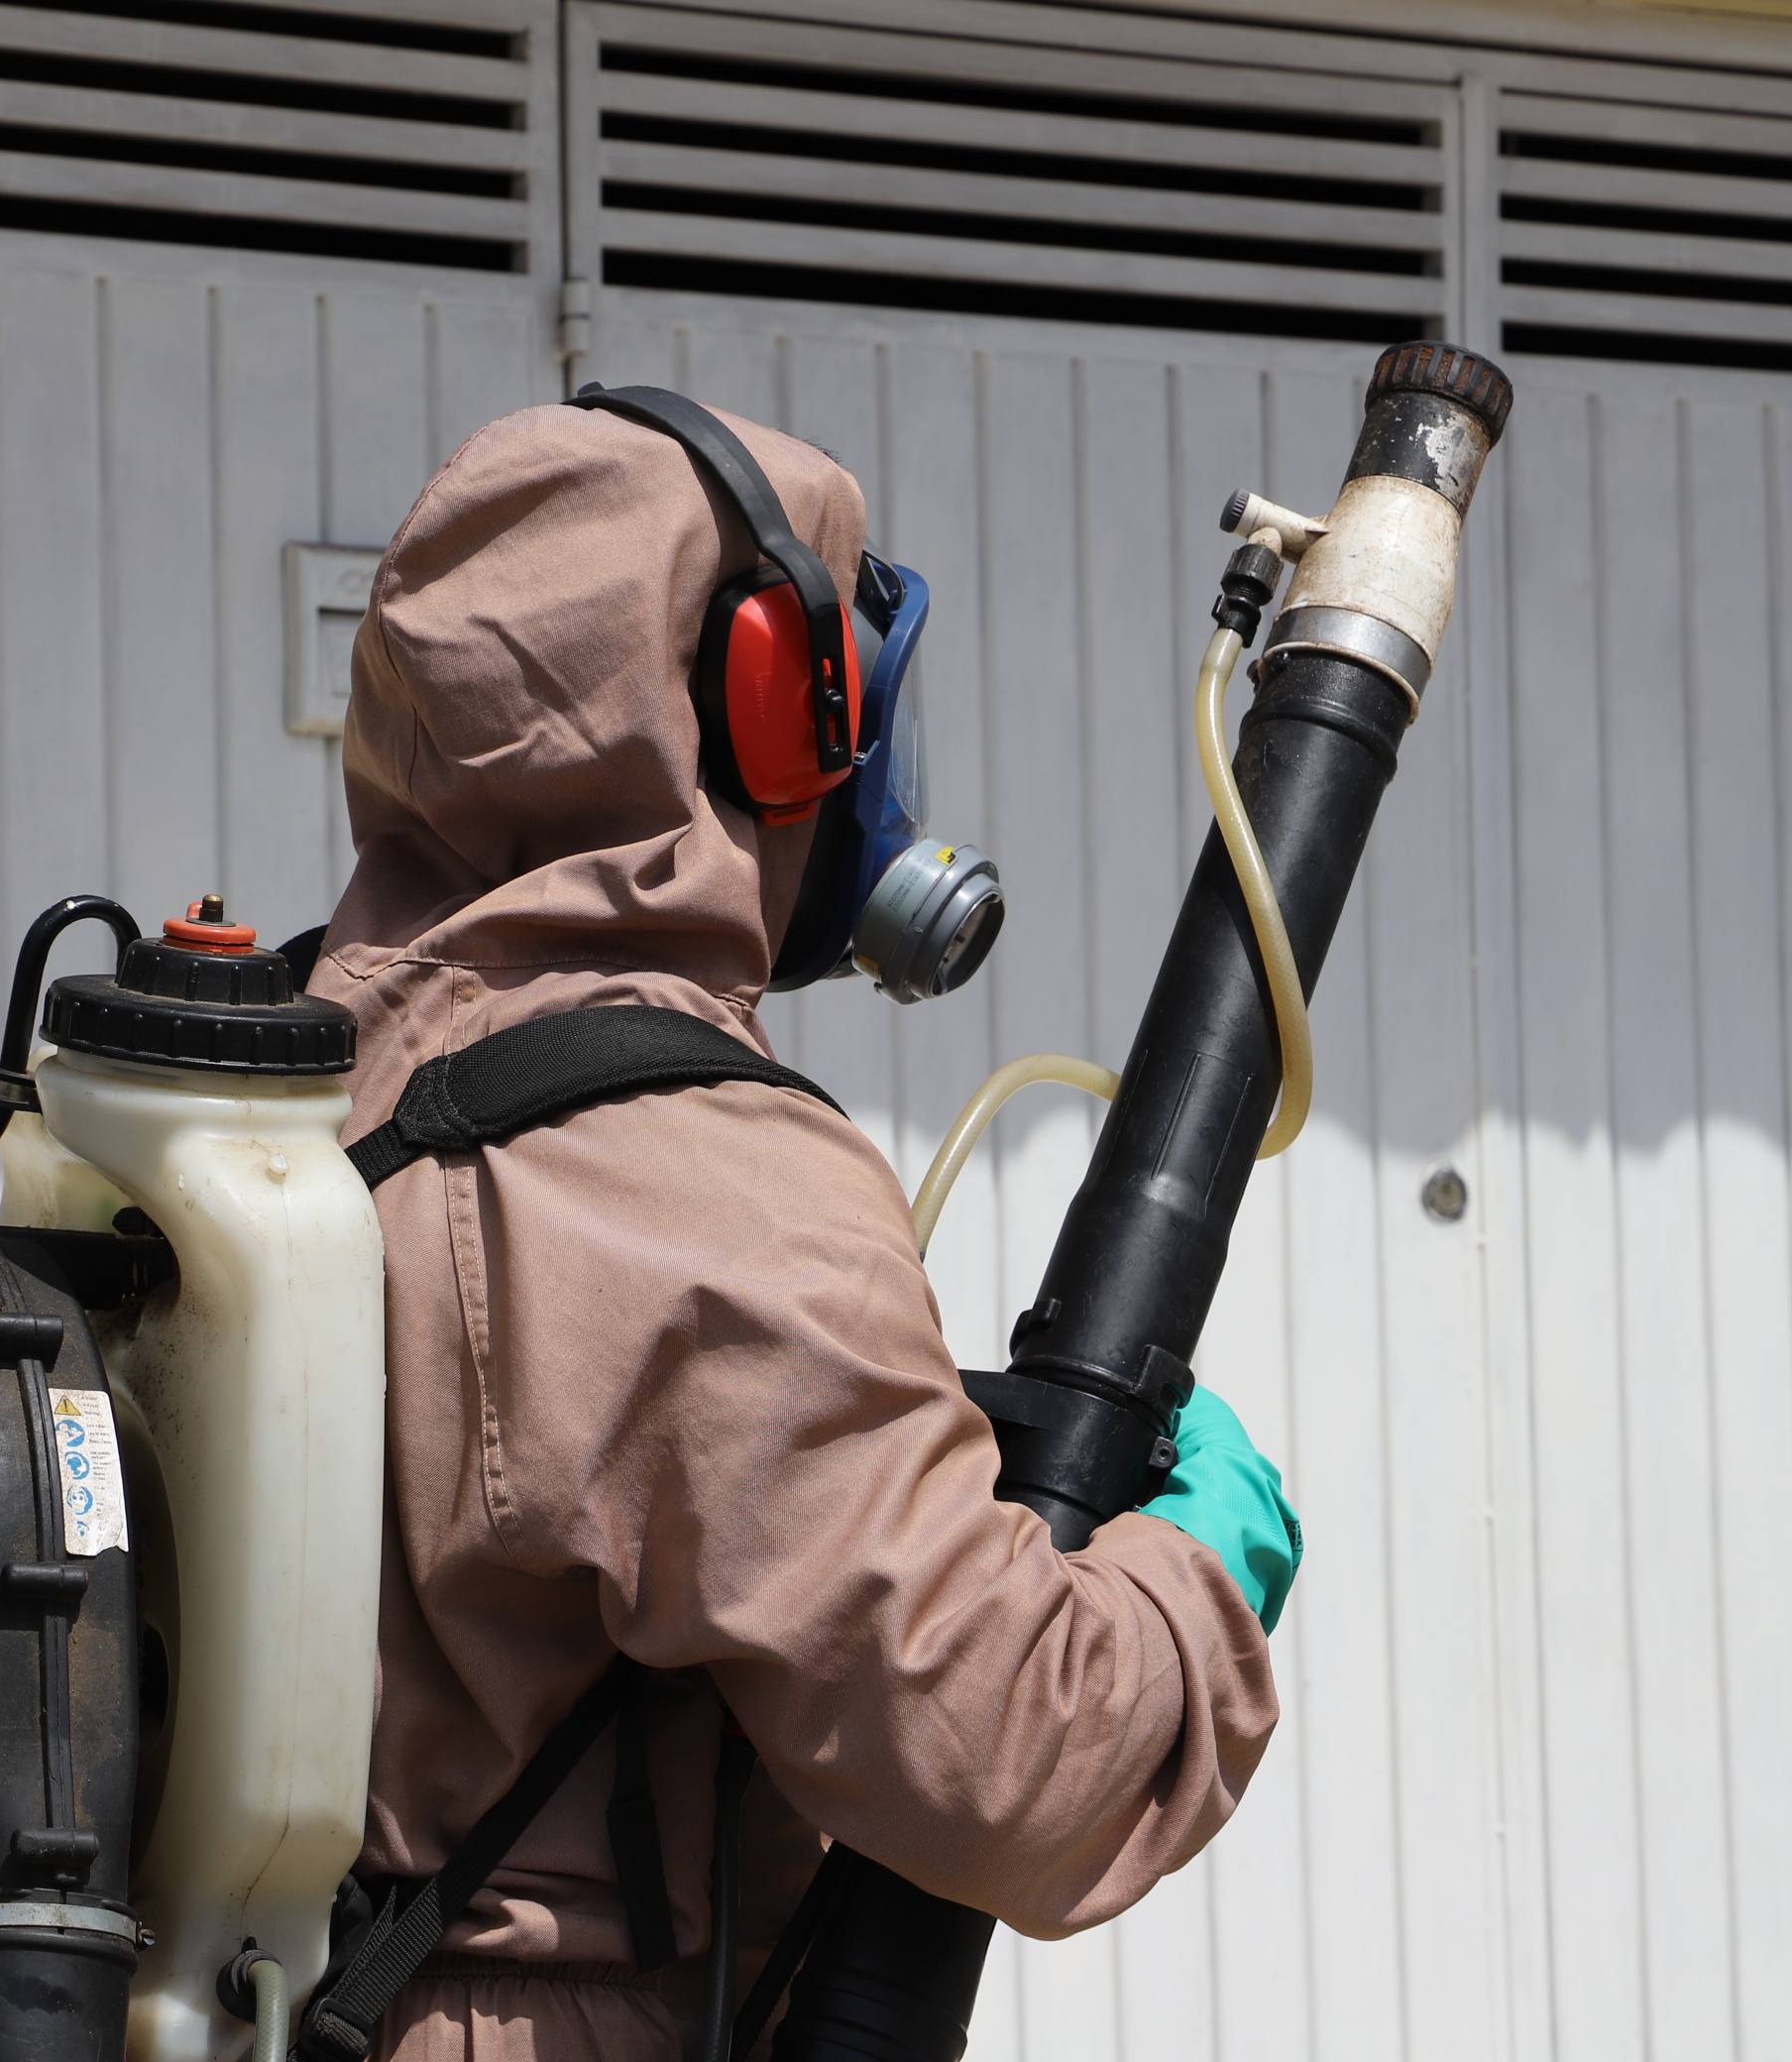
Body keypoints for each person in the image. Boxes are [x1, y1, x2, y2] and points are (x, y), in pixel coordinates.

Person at [302, 399, 1291, 2059]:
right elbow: (1012, 1753)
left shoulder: (269, 1074)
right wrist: (1201, 1571)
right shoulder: (698, 1176)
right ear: (768, 706)